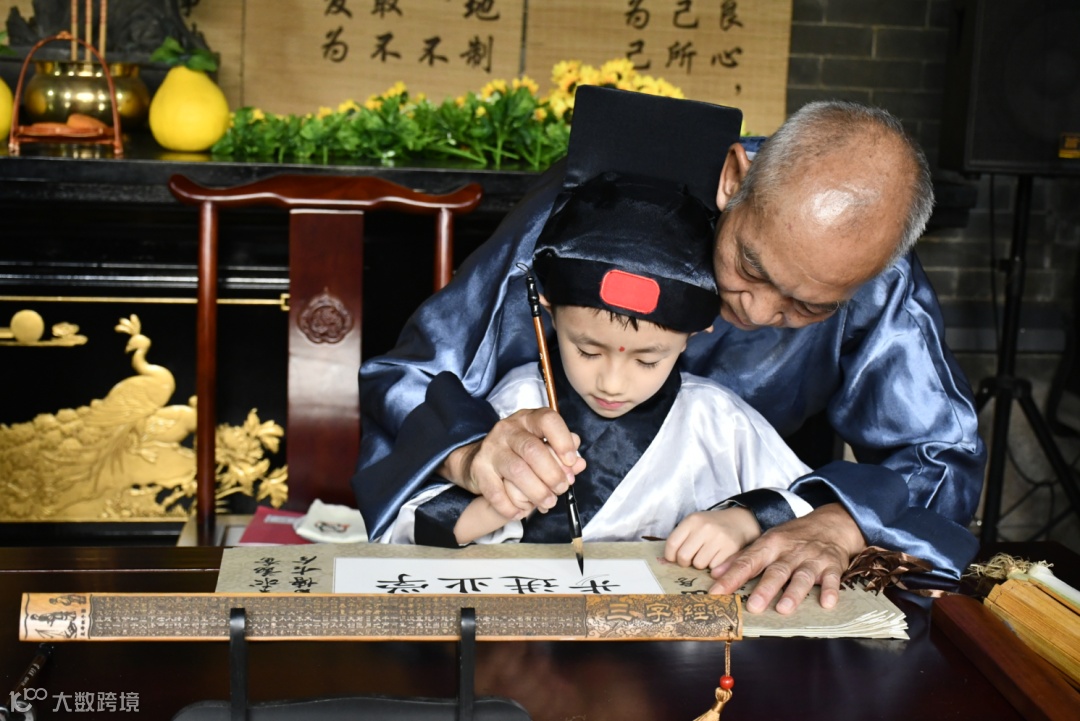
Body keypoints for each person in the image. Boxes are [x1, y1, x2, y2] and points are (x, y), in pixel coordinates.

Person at [354, 93, 985, 615]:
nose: (757, 312)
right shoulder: (589, 215)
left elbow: (941, 453)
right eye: (750, 267)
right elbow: (408, 376)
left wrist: (837, 525)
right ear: (734, 179)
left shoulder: (872, 273)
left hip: (730, 550)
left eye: (807, 307)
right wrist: (473, 454)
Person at [379, 171, 811, 550]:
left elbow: (811, 506)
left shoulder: (719, 421)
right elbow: (411, 529)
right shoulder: (522, 402)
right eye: (587, 351)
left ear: (693, 336)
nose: (612, 383)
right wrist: (499, 501)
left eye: (647, 360)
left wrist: (744, 520)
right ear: (548, 313)